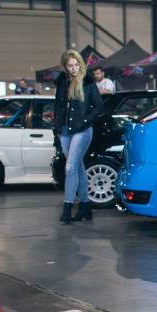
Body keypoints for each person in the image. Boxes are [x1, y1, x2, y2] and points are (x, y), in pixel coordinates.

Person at [54, 49, 104, 223]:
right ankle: (85, 207)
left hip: (82, 130)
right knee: (78, 168)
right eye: (70, 65)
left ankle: (67, 207)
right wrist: (57, 129)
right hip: (65, 130)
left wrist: (85, 120)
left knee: (70, 168)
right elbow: (58, 106)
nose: (74, 68)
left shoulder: (88, 81)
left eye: (76, 65)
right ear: (65, 67)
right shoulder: (62, 81)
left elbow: (99, 106)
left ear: (80, 64)